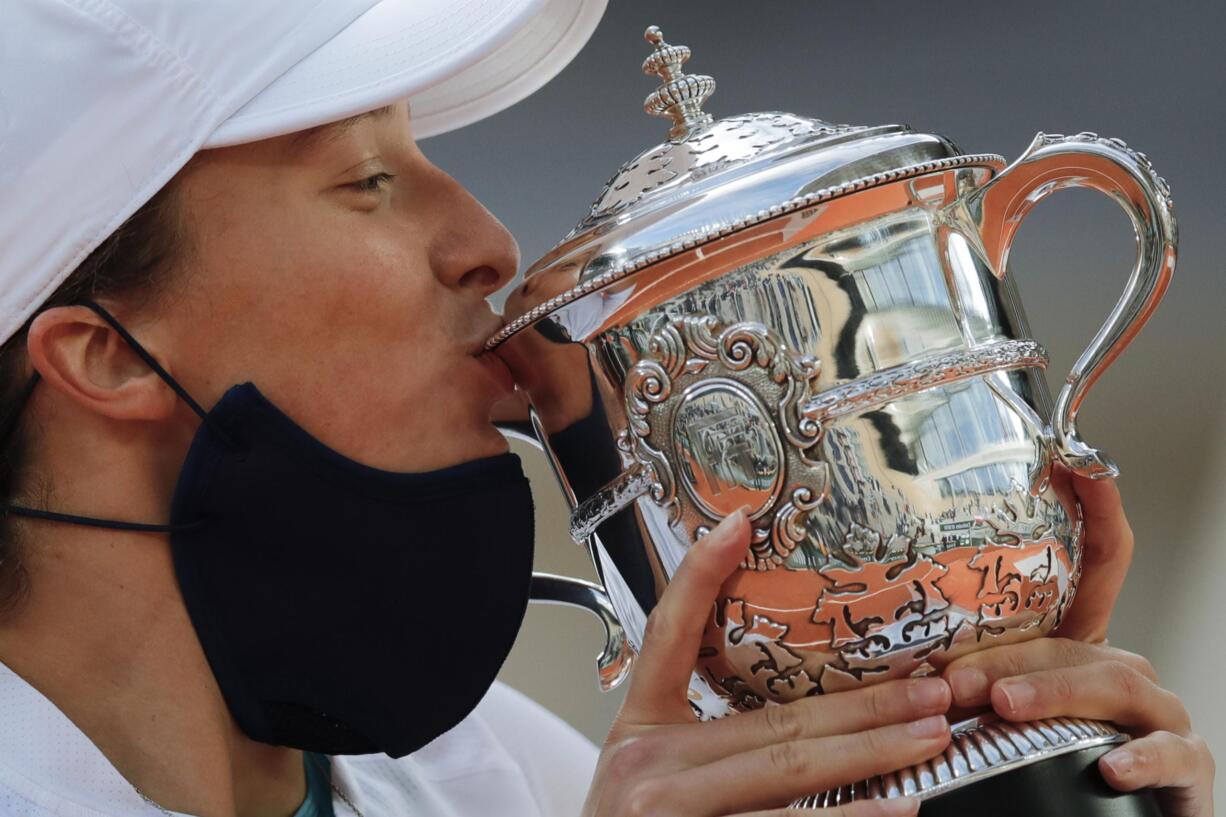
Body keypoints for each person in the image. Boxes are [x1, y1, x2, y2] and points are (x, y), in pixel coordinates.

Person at [0, 2, 1212, 816]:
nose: (488, 243)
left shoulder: (488, 777)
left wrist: (996, 752)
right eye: (366, 180)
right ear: (102, 353)